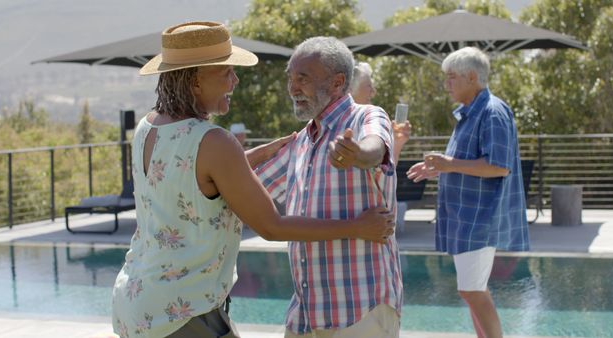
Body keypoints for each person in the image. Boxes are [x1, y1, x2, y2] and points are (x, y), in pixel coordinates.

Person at [111, 22, 395, 338]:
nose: (235, 80)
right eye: (226, 72)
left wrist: (357, 154)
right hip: (182, 312)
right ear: (194, 80)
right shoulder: (215, 142)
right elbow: (271, 226)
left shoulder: (147, 127)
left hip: (136, 303)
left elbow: (188, 178)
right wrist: (357, 227)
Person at [255, 37, 403, 337]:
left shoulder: (366, 116)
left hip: (360, 311)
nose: (293, 88)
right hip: (306, 315)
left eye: (303, 78)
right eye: (291, 78)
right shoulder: (300, 141)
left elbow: (375, 146)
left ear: (337, 83)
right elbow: (249, 188)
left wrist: (357, 154)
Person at [407, 47, 530, 338]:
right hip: (467, 218)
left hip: (480, 218)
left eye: (451, 78)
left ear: (472, 77)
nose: (446, 84)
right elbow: (467, 164)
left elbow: (499, 167)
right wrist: (438, 169)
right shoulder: (470, 113)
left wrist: (449, 164)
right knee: (472, 290)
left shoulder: (492, 112)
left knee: (472, 290)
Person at [351, 61, 411, 229]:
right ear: (349, 89)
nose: (373, 92)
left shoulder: (370, 126)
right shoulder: (339, 128)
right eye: (369, 86)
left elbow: (384, 171)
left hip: (375, 223)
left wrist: (396, 143)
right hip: (358, 222)